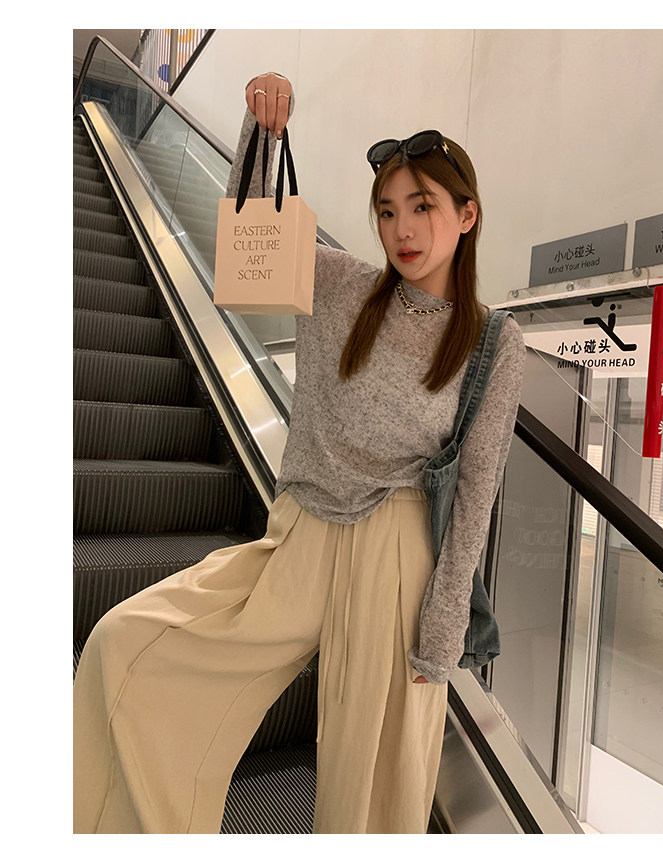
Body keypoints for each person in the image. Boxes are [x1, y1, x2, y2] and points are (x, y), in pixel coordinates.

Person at [73, 72, 526, 834]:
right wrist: (265, 130)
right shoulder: (338, 281)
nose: (403, 228)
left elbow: (477, 490)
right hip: (301, 533)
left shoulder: (493, 342)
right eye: (388, 210)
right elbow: (249, 247)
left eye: (422, 206)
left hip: (397, 554)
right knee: (127, 645)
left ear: (466, 214)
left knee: (371, 788)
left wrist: (443, 632)